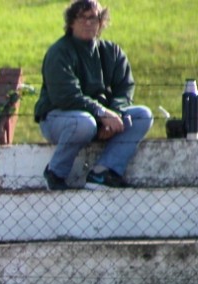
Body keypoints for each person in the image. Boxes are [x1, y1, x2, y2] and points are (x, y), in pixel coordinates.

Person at [34, 0, 153, 190]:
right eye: (83, 17)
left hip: (100, 118)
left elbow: (125, 88)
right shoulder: (59, 52)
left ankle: (103, 172)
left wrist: (114, 115)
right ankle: (56, 173)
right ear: (71, 22)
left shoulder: (112, 52)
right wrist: (101, 113)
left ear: (101, 22)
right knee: (83, 123)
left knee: (142, 115)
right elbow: (65, 96)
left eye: (94, 18)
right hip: (61, 118)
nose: (89, 23)